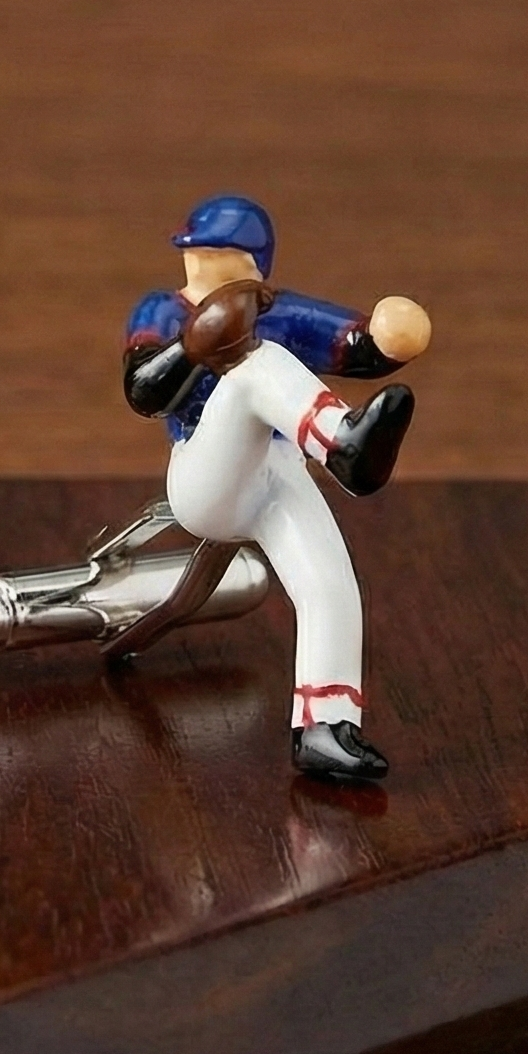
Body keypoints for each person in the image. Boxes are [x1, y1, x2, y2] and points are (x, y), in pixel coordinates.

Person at [123, 194, 430, 781]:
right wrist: (196, 344)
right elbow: (142, 391)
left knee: (329, 584)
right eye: (196, 253)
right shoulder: (162, 311)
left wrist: (392, 337)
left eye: (216, 255)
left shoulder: (275, 311)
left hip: (279, 475)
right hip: (204, 476)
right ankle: (343, 444)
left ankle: (326, 729)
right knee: (253, 369)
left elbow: (353, 343)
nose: (200, 266)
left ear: (252, 264)